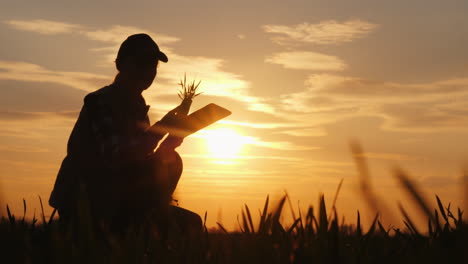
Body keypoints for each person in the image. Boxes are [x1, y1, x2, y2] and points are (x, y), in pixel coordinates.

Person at [49, 33, 202, 234]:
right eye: (140, 62)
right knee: (185, 226)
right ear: (121, 64)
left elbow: (137, 162)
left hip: (119, 200)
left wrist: (168, 144)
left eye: (152, 65)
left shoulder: (137, 107)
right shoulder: (100, 102)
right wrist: (160, 128)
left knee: (172, 163)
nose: (147, 71)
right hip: (87, 206)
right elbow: (118, 157)